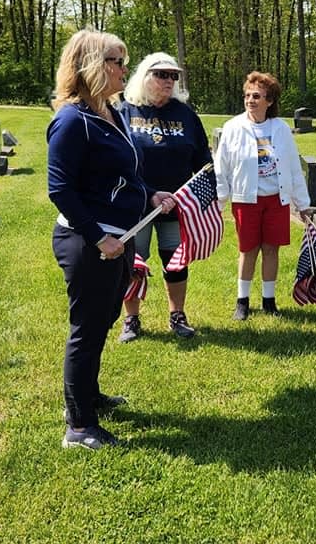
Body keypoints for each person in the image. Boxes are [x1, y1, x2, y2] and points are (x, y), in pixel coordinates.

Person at [47, 29, 175, 450]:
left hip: (119, 238)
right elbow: (60, 189)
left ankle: (88, 396)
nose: (124, 68)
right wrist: (99, 237)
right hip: (89, 244)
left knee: (102, 322)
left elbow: (127, 174)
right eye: (116, 61)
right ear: (89, 66)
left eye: (123, 60)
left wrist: (150, 193)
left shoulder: (111, 112)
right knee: (87, 328)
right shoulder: (71, 120)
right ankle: (79, 426)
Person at [116, 52, 212, 342]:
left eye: (173, 76)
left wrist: (206, 197)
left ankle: (177, 315)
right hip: (137, 204)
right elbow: (114, 158)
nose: (169, 81)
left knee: (175, 261)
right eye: (162, 75)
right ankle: (131, 319)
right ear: (145, 76)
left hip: (176, 204)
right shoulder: (124, 110)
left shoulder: (185, 114)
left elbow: (202, 159)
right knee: (134, 261)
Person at [214, 71, 312, 320]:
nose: (250, 100)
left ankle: (269, 301)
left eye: (257, 96)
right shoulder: (233, 127)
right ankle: (242, 301)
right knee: (248, 250)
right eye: (247, 95)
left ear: (269, 100)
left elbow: (292, 167)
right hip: (246, 200)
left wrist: (303, 203)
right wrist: (221, 198)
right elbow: (221, 166)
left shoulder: (280, 129)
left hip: (276, 200)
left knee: (271, 249)